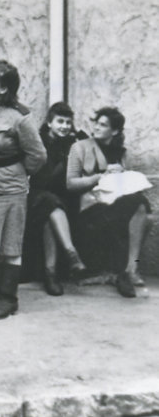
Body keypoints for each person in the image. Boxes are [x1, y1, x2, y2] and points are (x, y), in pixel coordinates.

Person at [0, 60, 47, 320]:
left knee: (9, 244)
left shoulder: (19, 117)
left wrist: (17, 173)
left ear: (3, 89)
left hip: (9, 188)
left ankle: (8, 298)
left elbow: (37, 155)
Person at [66, 107, 150, 298]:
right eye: (96, 123)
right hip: (89, 209)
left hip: (115, 204)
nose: (96, 127)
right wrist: (99, 177)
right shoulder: (79, 147)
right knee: (138, 205)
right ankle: (126, 271)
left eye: (103, 125)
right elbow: (70, 183)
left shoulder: (122, 153)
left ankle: (130, 269)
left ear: (115, 131)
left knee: (140, 203)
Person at [23, 102, 87, 295]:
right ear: (49, 123)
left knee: (50, 209)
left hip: (59, 201)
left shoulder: (73, 144)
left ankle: (50, 273)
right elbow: (42, 178)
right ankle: (70, 253)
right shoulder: (39, 142)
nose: (64, 126)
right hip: (34, 196)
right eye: (60, 121)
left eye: (68, 122)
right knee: (49, 204)